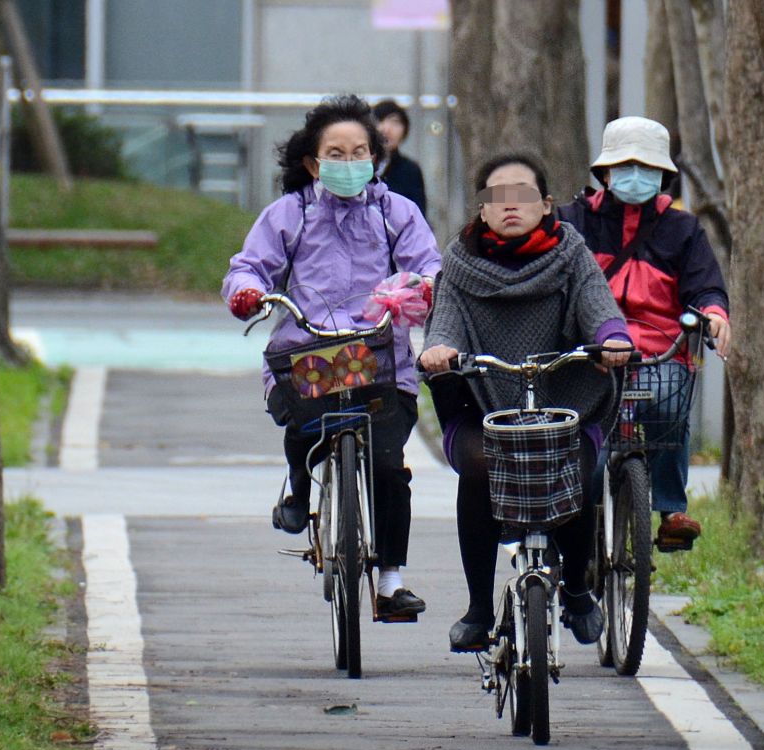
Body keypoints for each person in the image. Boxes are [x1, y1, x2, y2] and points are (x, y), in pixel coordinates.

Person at [222, 94, 441, 619]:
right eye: (336, 154)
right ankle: (300, 487)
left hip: (381, 357)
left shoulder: (397, 213)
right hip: (308, 353)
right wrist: (248, 291)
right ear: (313, 163)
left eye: (360, 152)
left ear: (376, 157)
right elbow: (249, 265)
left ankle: (390, 582)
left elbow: (428, 266)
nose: (350, 164)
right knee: (302, 427)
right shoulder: (288, 214)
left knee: (390, 467)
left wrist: (420, 288)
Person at [419, 153, 632, 652]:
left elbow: (598, 305)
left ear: (546, 205)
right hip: (482, 403)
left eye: (524, 194)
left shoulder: (571, 253)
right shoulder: (458, 262)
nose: (511, 206)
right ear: (483, 208)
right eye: (498, 196)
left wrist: (611, 337)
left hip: (566, 400)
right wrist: (438, 350)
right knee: (481, 468)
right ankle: (477, 608)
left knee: (573, 471)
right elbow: (445, 318)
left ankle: (577, 591)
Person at [557, 116, 731, 553]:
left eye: (646, 168)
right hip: (589, 353)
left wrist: (714, 314)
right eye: (625, 166)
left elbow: (705, 285)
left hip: (659, 355)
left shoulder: (684, 230)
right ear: (606, 172)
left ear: (662, 175)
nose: (636, 177)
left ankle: (671, 509)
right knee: (587, 454)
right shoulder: (571, 221)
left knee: (671, 407)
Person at [372, 99, 428, 216]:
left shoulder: (410, 170)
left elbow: (418, 214)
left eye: (395, 122)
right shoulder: (360, 165)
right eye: (380, 121)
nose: (386, 129)